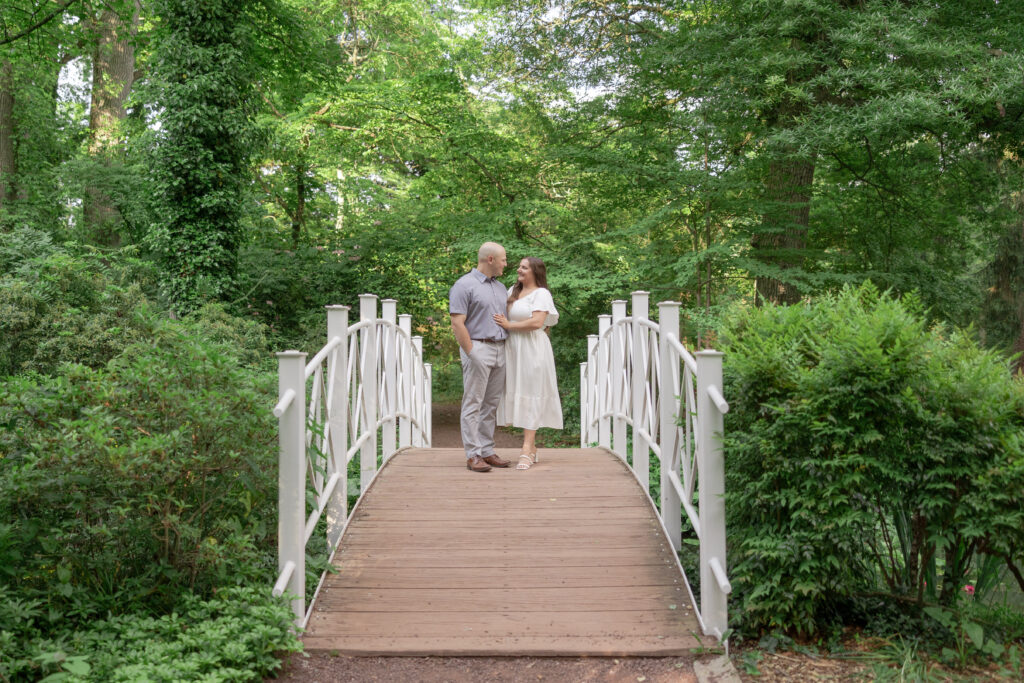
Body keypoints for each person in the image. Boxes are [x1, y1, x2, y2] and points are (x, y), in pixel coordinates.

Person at [493, 257, 563, 470]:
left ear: (534, 271)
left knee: (532, 393)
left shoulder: (541, 293)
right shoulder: (511, 291)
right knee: (518, 392)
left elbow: (537, 322)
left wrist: (508, 325)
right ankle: (531, 448)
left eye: (524, 267)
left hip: (533, 349)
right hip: (513, 349)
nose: (519, 269)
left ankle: (526, 448)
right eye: (519, 266)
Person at [449, 242, 513, 472]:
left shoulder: (501, 287)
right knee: (473, 403)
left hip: (500, 348)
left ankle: (487, 450)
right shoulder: (464, 285)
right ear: (490, 260)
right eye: (504, 259)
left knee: (491, 404)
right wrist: (471, 352)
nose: (506, 264)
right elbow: (457, 322)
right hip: (477, 347)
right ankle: (473, 454)